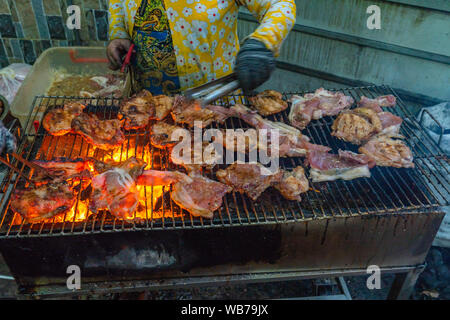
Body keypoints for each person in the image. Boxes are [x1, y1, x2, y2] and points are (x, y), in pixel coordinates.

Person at [107, 0, 296, 96]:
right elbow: (116, 3)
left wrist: (262, 42)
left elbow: (280, 4)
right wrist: (118, 34)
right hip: (144, 106)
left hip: (212, 108)